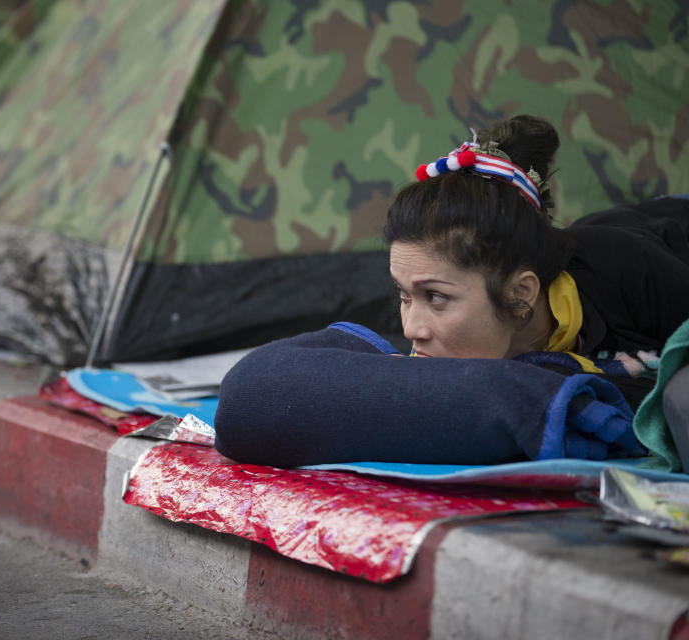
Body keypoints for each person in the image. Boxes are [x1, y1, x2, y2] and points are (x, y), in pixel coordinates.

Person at [214, 115, 689, 468]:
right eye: (404, 295)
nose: (413, 329)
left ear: (522, 295)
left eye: (435, 298)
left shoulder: (634, 274)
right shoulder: (449, 307)